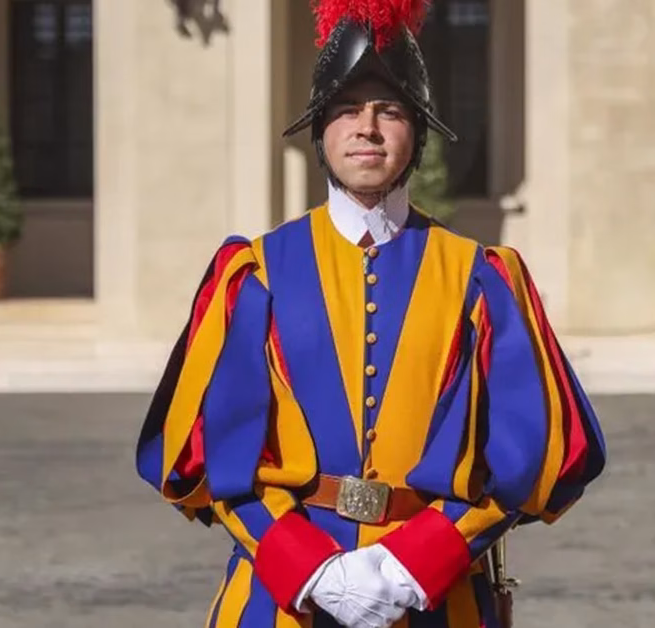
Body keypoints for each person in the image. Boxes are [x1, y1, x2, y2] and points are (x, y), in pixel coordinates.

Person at [135, 1, 606, 626]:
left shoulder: (481, 278)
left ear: (418, 132)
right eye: (346, 110)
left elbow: (527, 455)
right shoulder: (254, 275)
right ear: (320, 130)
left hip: (440, 596)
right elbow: (216, 456)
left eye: (389, 111)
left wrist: (421, 561)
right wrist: (310, 569)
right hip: (282, 596)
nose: (367, 128)